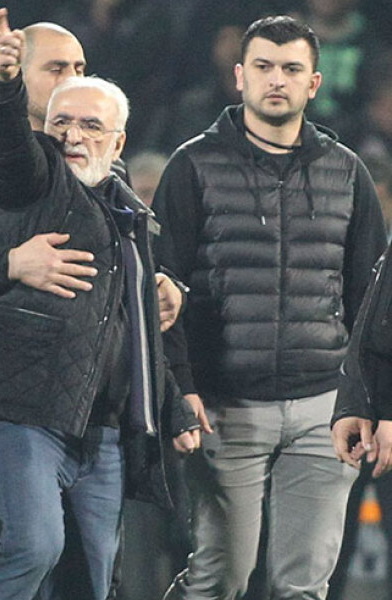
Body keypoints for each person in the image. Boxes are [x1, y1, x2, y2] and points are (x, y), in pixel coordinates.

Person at [0, 10, 197, 600]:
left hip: (93, 412)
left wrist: (161, 293)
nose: (71, 82)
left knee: (89, 576)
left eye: (79, 68)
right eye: (55, 70)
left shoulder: (114, 188)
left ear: (116, 137)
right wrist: (10, 264)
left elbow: (124, 315)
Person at [155, 15, 387, 600]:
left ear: (314, 83)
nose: (276, 79)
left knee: (303, 587)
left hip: (325, 409)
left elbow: (373, 303)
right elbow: (161, 289)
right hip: (224, 405)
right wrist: (181, 386)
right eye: (263, 66)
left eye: (290, 68)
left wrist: (373, 401)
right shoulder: (191, 166)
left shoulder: (348, 172)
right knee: (218, 579)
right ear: (239, 76)